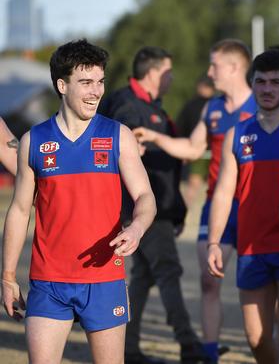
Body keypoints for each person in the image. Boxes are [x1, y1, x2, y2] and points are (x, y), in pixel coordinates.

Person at [1, 39, 156, 364]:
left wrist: (137, 227)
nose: (96, 91)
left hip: (104, 280)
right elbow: (18, 211)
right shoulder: (34, 140)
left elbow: (145, 196)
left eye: (100, 82)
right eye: (86, 82)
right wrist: (8, 276)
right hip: (48, 284)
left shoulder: (119, 135)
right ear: (62, 84)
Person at [133, 39, 256, 363]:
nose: (209, 71)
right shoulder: (212, 107)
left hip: (255, 208)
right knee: (208, 281)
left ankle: (270, 346)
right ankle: (209, 352)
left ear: (233, 67)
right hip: (217, 205)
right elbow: (191, 147)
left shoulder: (262, 102)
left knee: (258, 285)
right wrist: (156, 136)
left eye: (214, 65)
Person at [99, 46, 209, 364]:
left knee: (144, 277)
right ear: (152, 74)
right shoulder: (127, 104)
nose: (172, 78)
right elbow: (123, 141)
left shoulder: (152, 105)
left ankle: (128, 349)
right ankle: (189, 346)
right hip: (141, 210)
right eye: (168, 72)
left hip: (160, 208)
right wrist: (134, 143)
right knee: (168, 271)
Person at [206, 49, 279, 364]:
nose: (268, 89)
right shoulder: (238, 133)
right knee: (257, 338)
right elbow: (222, 194)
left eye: (276, 81)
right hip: (251, 247)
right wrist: (215, 242)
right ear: (253, 84)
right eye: (261, 82)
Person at [175, 76, 215, 206]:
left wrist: (183, 149)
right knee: (216, 185)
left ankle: (185, 214)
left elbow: (180, 128)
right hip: (213, 150)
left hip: (197, 150)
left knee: (193, 186)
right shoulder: (219, 104)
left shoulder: (191, 105)